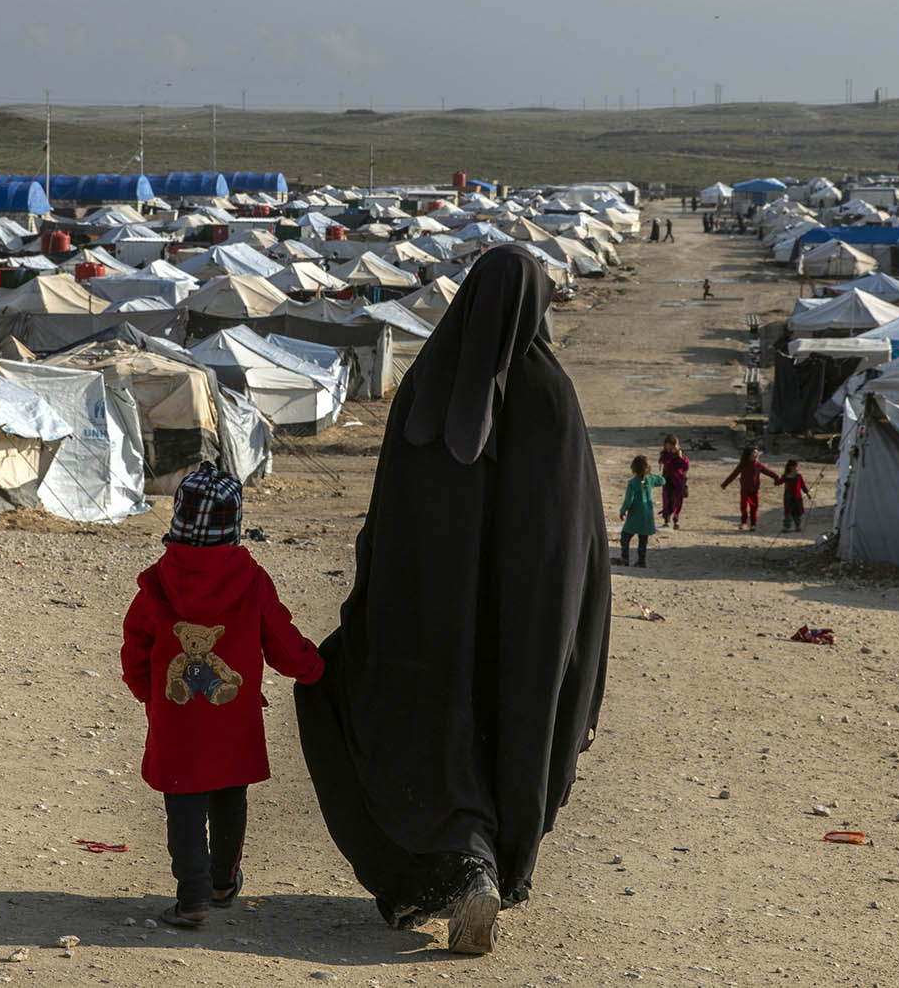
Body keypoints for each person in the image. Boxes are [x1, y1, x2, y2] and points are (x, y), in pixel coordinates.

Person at [296, 246, 609, 956]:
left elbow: (384, 525)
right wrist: (581, 649)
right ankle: (486, 870)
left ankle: (441, 871)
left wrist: (371, 608)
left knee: (372, 708)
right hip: (524, 645)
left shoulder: (425, 390)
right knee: (514, 728)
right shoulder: (553, 400)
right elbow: (583, 549)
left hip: (424, 632)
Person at [121, 462, 327, 930]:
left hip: (176, 724)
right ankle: (222, 882)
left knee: (184, 803)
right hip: (233, 719)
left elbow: (136, 647)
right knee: (230, 798)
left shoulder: (155, 583)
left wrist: (148, 695)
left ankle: (191, 899)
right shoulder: (252, 579)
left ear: (177, 517)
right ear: (233, 522)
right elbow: (282, 640)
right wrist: (314, 669)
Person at [618, 454, 664, 566]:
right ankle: (641, 561)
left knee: (625, 537)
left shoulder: (632, 483)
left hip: (635, 515)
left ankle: (625, 559)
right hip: (647, 515)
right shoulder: (651, 479)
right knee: (643, 540)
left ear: (633, 468)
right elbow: (662, 481)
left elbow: (628, 500)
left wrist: (622, 511)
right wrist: (650, 475)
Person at [719, 445, 778, 531]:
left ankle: (753, 524)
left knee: (754, 507)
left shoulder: (759, 465)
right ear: (748, 454)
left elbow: (769, 472)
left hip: (754, 490)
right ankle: (744, 523)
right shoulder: (743, 464)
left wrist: (776, 478)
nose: (756, 455)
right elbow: (734, 474)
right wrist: (725, 484)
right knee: (744, 507)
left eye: (757, 453)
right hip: (745, 490)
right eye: (754, 453)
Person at [658, 433, 690, 530]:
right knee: (667, 500)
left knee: (677, 500)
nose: (669, 449)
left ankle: (676, 519)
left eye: (670, 446)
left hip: (678, 482)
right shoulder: (664, 455)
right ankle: (666, 519)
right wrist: (672, 455)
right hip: (667, 480)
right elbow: (665, 462)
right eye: (667, 446)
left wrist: (680, 456)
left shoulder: (681, 455)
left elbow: (686, 466)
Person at [773, 459, 810, 534]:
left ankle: (797, 526)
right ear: (791, 467)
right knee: (788, 512)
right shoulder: (785, 476)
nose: (797, 468)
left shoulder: (799, 476)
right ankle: (786, 527)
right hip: (788, 497)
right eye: (796, 467)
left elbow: (803, 485)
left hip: (797, 497)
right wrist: (776, 480)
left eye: (797, 467)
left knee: (797, 512)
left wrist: (807, 493)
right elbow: (779, 482)